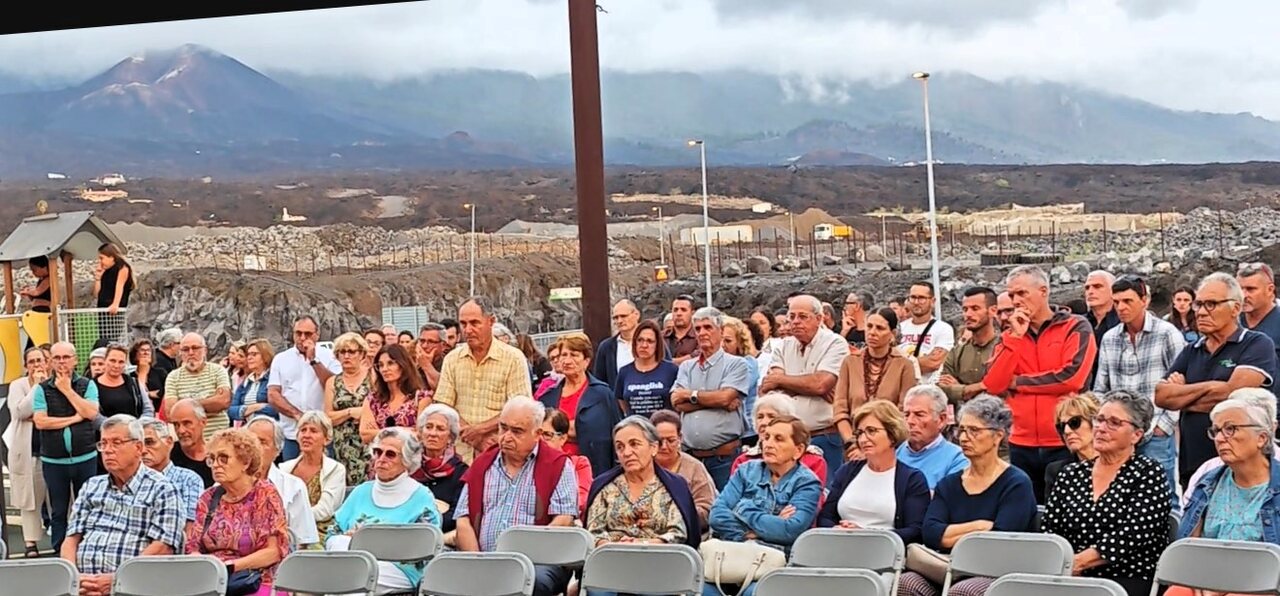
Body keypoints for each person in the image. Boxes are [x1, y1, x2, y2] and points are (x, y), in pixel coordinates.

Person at [898, 397, 1037, 596]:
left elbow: (1000, 540)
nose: (964, 438)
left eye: (974, 430)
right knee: (905, 583)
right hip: (945, 567)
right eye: (961, 430)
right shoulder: (949, 483)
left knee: (964, 591)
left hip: (996, 572)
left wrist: (950, 535)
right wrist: (980, 526)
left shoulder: (1016, 483)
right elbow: (930, 533)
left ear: (998, 436)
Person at [982, 265, 1097, 504]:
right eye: (1012, 295)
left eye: (1022, 293)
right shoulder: (1010, 335)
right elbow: (993, 385)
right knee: (1027, 511)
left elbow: (1071, 377)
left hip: (1065, 438)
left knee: (1068, 510)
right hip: (1021, 441)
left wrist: (1017, 382)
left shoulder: (1075, 326)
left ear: (1043, 291)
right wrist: (1015, 338)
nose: (1016, 301)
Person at [1041, 391, 1171, 596]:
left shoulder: (1148, 472)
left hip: (1128, 576)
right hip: (1069, 573)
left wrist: (1076, 563)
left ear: (1136, 435)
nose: (1101, 428)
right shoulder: (1070, 474)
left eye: (1114, 423)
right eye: (1099, 420)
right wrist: (1066, 567)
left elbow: (1134, 534)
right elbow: (1050, 529)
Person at [1156, 272, 1278, 488]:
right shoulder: (1192, 350)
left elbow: (1233, 396)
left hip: (1242, 468)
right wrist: (1214, 388)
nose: (1201, 312)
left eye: (1211, 304)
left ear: (1235, 308)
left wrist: (1184, 397)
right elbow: (1162, 396)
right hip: (1193, 465)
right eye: (1198, 304)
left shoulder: (1257, 344)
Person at [455, 398, 581, 596]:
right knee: (439, 575)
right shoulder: (483, 464)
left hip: (538, 561)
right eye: (503, 428)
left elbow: (563, 520)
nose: (506, 437)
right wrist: (478, 561)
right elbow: (463, 520)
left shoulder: (558, 464)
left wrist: (522, 559)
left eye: (517, 431)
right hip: (481, 557)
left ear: (537, 434)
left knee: (533, 582)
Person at [62, 415, 185, 596]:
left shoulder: (163, 489)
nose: (107, 450)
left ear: (138, 447)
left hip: (135, 587)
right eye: (103, 444)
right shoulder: (91, 486)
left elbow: (163, 547)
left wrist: (118, 579)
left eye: (116, 443)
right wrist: (74, 578)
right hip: (83, 586)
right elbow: (71, 539)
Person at [1093, 275, 1186, 510]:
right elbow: (1101, 387)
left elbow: (1182, 386)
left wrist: (1164, 426)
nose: (1121, 308)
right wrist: (1105, 423)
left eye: (1127, 301)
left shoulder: (1167, 334)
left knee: (1163, 498)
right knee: (1118, 496)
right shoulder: (1110, 338)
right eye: (1116, 302)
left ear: (1145, 300)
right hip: (1118, 432)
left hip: (1155, 432)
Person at [704, 416, 822, 596]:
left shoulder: (807, 483)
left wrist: (743, 508)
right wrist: (763, 527)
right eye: (766, 437)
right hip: (729, 557)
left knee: (754, 593)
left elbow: (790, 530)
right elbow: (717, 516)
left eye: (778, 439)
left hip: (774, 564)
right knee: (701, 591)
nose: (768, 444)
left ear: (798, 450)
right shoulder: (745, 471)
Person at [1176, 394, 1280, 582]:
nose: (1219, 438)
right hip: (1207, 577)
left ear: (1261, 438)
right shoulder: (1207, 481)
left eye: (1230, 429)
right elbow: (1188, 547)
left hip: (1264, 582)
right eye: (1216, 431)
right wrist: (1200, 583)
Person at [326, 427, 441, 594]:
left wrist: (365, 542)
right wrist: (346, 539)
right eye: (378, 452)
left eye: (390, 454)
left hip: (400, 568)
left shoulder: (421, 497)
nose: (381, 459)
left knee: (353, 579)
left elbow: (426, 548)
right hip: (353, 563)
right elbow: (332, 533)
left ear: (407, 460)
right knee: (343, 572)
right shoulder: (361, 491)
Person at [185, 428, 290, 591]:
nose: (216, 465)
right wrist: (203, 564)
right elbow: (193, 546)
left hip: (255, 579)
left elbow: (273, 551)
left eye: (223, 458)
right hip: (212, 580)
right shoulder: (208, 498)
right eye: (212, 459)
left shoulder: (265, 494)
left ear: (245, 462)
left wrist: (230, 566)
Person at [435, 297, 535, 462]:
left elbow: (520, 408)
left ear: (491, 321)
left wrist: (480, 431)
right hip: (459, 454)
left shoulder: (513, 358)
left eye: (475, 323)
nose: (468, 330)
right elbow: (444, 404)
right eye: (463, 324)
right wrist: (472, 435)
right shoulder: (452, 359)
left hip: (499, 450)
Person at [819, 401, 930, 546]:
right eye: (859, 433)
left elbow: (915, 531)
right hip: (840, 545)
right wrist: (836, 529)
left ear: (892, 434)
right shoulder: (847, 471)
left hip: (885, 550)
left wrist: (866, 534)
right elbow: (825, 517)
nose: (863, 439)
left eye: (871, 431)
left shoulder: (912, 479)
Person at [763, 294, 848, 481]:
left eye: (802, 317)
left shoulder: (835, 343)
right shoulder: (783, 346)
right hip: (787, 440)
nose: (795, 322)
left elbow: (820, 384)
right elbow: (770, 390)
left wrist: (782, 381)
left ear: (819, 318)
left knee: (824, 491)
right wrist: (808, 385)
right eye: (792, 316)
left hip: (823, 437)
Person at [585, 416, 700, 552]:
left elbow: (678, 533)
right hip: (612, 557)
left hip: (661, 557)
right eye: (620, 447)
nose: (626, 453)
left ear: (654, 448)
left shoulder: (675, 486)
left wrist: (641, 545)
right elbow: (593, 532)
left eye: (634, 444)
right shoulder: (604, 487)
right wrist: (614, 546)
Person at [673, 307, 751, 491]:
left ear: (721, 331)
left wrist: (690, 395)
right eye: (698, 329)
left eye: (708, 327)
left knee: (726, 506)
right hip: (691, 459)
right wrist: (715, 400)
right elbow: (677, 402)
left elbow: (725, 398)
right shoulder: (686, 367)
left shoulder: (737, 364)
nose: (702, 333)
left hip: (724, 458)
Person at [33, 341, 100, 554]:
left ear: (75, 360)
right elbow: (40, 421)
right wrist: (73, 418)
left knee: (87, 506)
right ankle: (59, 550)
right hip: (54, 460)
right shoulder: (42, 389)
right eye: (57, 358)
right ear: (50, 362)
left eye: (66, 357)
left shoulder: (87, 385)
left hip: (85, 456)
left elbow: (91, 413)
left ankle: (87, 547)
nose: (62, 362)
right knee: (59, 509)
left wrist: (67, 390)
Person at [835, 307, 916, 460]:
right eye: (869, 326)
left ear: (892, 334)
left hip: (889, 447)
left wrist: (876, 445)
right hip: (853, 447)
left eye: (880, 328)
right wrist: (853, 443)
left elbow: (903, 412)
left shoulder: (904, 365)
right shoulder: (850, 362)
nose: (872, 332)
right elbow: (840, 409)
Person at [540, 334, 622, 476]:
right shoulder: (548, 397)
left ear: (586, 361)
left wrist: (565, 430)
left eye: (574, 355)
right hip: (555, 469)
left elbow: (615, 433)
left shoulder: (602, 394)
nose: (567, 360)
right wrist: (570, 429)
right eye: (563, 355)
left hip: (594, 470)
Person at [268, 316, 341, 460]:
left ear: (317, 335)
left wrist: (314, 360)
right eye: (298, 333)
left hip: (322, 433)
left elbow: (333, 386)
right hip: (292, 433)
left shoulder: (330, 356)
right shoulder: (281, 359)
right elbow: (273, 394)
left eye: (307, 334)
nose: (302, 338)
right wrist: (297, 415)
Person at [247, 416, 319, 548]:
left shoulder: (294, 487)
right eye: (250, 441)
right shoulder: (224, 485)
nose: (255, 447)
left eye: (262, 442)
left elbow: (303, 541)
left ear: (277, 450)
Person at [731, 392, 829, 487]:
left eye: (771, 416)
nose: (764, 422)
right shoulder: (743, 461)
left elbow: (811, 496)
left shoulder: (813, 461)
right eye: (760, 417)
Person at [7, 347, 49, 558]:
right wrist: (36, 387)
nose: (36, 365)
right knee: (29, 498)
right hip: (28, 451)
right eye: (32, 361)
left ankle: (62, 537)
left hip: (53, 450)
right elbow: (20, 411)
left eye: (39, 360)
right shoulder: (18, 385)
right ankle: (30, 542)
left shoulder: (55, 383)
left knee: (60, 498)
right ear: (26, 366)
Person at [281, 411, 347, 542]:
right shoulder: (284, 469)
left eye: (313, 431)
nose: (306, 435)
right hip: (285, 530)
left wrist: (293, 519)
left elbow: (325, 510)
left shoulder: (335, 469)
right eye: (303, 430)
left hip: (319, 532)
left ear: (326, 439)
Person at [651, 409, 717, 532]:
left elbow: (707, 510)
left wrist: (677, 515)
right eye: (659, 441)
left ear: (680, 438)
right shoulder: (642, 466)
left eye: (670, 440)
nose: (664, 446)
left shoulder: (694, 467)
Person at [896, 385, 969, 490]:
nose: (910, 421)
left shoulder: (957, 459)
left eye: (919, 415)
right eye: (906, 414)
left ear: (941, 419)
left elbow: (949, 497)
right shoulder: (893, 452)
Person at [139, 416, 204, 534]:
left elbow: (190, 530)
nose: (143, 450)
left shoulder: (188, 479)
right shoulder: (126, 479)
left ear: (169, 442)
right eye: (138, 445)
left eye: (149, 442)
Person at [939, 287, 1001, 407]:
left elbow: (1001, 388)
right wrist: (978, 387)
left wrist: (960, 389)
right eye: (965, 309)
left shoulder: (1004, 348)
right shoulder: (957, 352)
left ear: (993, 311)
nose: (968, 314)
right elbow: (943, 388)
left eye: (975, 308)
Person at [324, 332, 373, 485]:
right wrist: (350, 412)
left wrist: (364, 413)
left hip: (368, 443)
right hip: (343, 446)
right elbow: (328, 417)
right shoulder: (332, 382)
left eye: (351, 352)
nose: (346, 356)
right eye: (342, 352)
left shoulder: (373, 377)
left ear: (362, 354)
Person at [164, 332, 232, 438]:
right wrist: (210, 406)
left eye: (195, 348)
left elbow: (223, 401)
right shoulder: (173, 377)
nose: (191, 353)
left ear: (205, 350)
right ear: (180, 353)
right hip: (189, 440)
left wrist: (184, 407)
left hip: (218, 438)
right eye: (186, 349)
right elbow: (170, 413)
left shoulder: (218, 371)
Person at [414, 404, 469, 533]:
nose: (433, 433)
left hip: (442, 535)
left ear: (450, 437)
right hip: (407, 532)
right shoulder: (409, 466)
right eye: (428, 427)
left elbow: (457, 513)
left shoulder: (461, 471)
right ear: (421, 432)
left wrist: (427, 527)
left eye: (440, 429)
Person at [360, 344, 431, 445]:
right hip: (379, 453)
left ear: (403, 365)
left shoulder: (421, 398)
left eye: (390, 363)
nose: (384, 369)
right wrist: (405, 430)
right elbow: (365, 435)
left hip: (409, 453)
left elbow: (420, 435)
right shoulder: (373, 399)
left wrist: (379, 432)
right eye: (380, 365)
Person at [615, 320, 679, 417]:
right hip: (635, 424)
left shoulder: (671, 370)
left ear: (657, 345)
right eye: (640, 340)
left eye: (650, 341)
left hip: (662, 424)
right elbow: (622, 401)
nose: (644, 345)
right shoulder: (624, 372)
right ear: (634, 343)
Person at [1043, 393, 1101, 498]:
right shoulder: (1056, 471)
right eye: (1061, 426)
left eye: (1074, 422)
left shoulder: (1121, 467)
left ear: (1095, 423)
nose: (1067, 431)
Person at [899, 282, 956, 385]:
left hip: (928, 387)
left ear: (932, 301)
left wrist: (900, 367)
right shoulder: (900, 328)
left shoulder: (943, 329)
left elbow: (933, 362)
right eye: (913, 297)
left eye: (921, 298)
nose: (916, 302)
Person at [540, 407, 593, 513]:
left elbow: (581, 502)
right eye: (537, 434)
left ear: (563, 438)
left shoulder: (579, 464)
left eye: (547, 435)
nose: (540, 440)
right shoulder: (527, 463)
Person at [723, 316, 763, 443]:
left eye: (728, 341)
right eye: (719, 340)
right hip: (721, 431)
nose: (722, 345)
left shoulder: (748, 363)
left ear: (740, 342)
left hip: (746, 433)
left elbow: (729, 394)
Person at [94, 344, 153, 423]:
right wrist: (115, 427)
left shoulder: (134, 383)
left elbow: (148, 409)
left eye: (121, 362)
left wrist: (138, 425)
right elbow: (93, 414)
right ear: (105, 360)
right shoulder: (93, 385)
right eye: (112, 361)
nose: (116, 365)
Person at [1238, 262, 1280, 363]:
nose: (1243, 295)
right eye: (1239, 289)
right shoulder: (1229, 320)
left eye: (1250, 289)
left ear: (1270, 290)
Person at [594, 299, 641, 389]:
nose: (619, 321)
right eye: (616, 317)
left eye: (623, 316)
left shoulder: (653, 342)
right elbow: (599, 381)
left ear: (636, 314)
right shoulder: (606, 347)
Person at [1084, 270, 1121, 383]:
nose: (1090, 292)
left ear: (1113, 291)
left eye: (1097, 287)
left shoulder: (1123, 322)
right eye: (1087, 288)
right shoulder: (1079, 323)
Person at [169, 398, 215, 487]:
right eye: (176, 425)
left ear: (203, 422)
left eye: (187, 423)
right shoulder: (169, 455)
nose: (181, 430)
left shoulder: (217, 454)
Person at [230, 338, 277, 423]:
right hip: (249, 427)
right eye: (248, 354)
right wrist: (256, 407)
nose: (249, 358)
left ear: (265, 356)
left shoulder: (274, 378)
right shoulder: (247, 382)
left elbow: (278, 409)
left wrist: (245, 411)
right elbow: (231, 411)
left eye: (254, 354)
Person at [130, 339, 165, 415]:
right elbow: (137, 395)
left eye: (148, 350)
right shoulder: (130, 376)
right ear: (135, 354)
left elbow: (166, 391)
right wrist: (150, 394)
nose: (146, 353)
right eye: (142, 350)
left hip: (158, 413)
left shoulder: (160, 372)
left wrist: (150, 394)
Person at [665, 294, 700, 363]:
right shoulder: (660, 337)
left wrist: (670, 362)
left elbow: (701, 356)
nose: (678, 313)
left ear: (692, 313)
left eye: (683, 310)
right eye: (675, 310)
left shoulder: (700, 336)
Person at [415, 322, 447, 390]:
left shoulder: (449, 365)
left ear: (443, 345)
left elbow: (441, 388)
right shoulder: (412, 365)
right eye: (422, 341)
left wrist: (426, 365)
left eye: (431, 342)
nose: (424, 346)